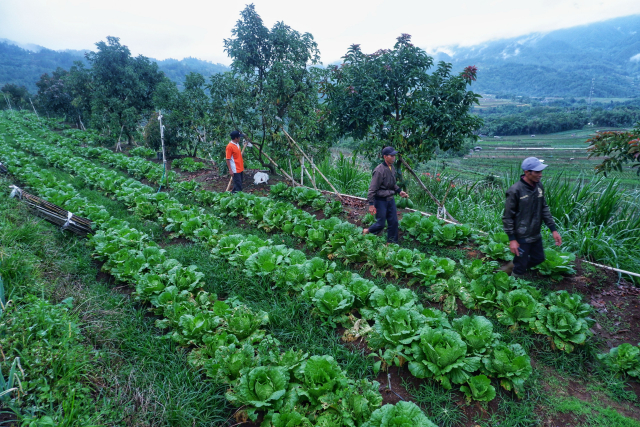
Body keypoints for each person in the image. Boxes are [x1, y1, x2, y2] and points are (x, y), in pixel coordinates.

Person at [502, 157, 562, 277]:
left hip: (535, 233)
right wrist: (512, 239)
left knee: (539, 258)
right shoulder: (515, 190)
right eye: (537, 172)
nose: (540, 175)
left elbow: (544, 208)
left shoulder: (538, 186)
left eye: (541, 172)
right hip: (521, 235)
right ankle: (511, 286)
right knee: (520, 266)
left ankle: (513, 267)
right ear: (526, 172)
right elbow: (507, 217)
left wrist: (553, 230)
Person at [363, 146, 409, 244]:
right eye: (391, 156)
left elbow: (392, 184)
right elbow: (372, 189)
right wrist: (371, 204)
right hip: (380, 200)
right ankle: (367, 231)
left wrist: (399, 191)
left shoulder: (392, 168)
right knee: (381, 223)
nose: (394, 157)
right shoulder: (379, 170)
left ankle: (391, 243)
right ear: (385, 157)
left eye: (394, 155)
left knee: (394, 222)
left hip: (390, 199)